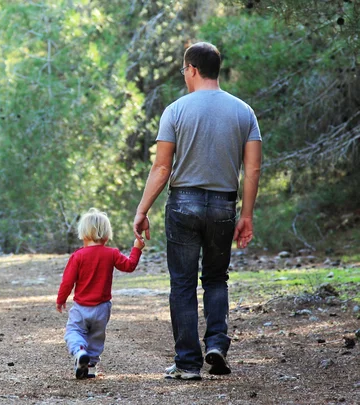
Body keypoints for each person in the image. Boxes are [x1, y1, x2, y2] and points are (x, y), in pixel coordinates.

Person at [133, 42, 262, 380]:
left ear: (191, 69)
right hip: (224, 204)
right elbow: (253, 170)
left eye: (183, 70)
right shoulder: (244, 112)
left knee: (183, 284)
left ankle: (188, 363)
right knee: (217, 278)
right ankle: (217, 343)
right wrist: (246, 215)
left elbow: (161, 169)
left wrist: (142, 209)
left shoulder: (175, 111)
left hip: (183, 204)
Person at [57, 208, 145, 379]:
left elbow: (67, 282)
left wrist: (61, 300)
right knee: (96, 337)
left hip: (81, 307)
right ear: (106, 234)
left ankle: (80, 351)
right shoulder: (111, 253)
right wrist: (136, 248)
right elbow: (129, 266)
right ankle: (89, 366)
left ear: (84, 234)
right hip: (103, 308)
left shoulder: (78, 256)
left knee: (73, 332)